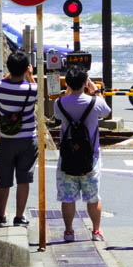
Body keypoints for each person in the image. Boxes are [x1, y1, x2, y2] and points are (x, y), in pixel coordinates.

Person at [54, 66, 110, 243]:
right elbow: (106, 112)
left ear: (68, 83)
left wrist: (68, 92)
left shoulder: (60, 103)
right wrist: (97, 91)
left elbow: (57, 115)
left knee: (68, 198)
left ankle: (69, 231)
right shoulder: (94, 102)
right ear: (86, 83)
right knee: (93, 197)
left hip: (67, 156)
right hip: (90, 157)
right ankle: (96, 231)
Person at [0, 50, 37, 228]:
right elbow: (37, 94)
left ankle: (1, 216)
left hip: (7, 138)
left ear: (9, 68)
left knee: (3, 179)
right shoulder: (31, 89)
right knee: (24, 179)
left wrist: (12, 74)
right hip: (27, 139)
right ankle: (19, 217)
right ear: (26, 69)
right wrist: (30, 76)